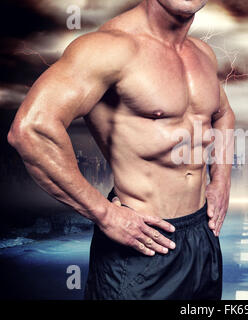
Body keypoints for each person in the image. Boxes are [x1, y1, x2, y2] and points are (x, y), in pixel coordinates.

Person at [7, 0, 235, 300]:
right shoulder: (109, 48)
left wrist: (220, 181)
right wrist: (104, 214)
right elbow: (31, 129)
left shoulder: (202, 53)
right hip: (140, 244)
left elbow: (223, 113)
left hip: (202, 236)